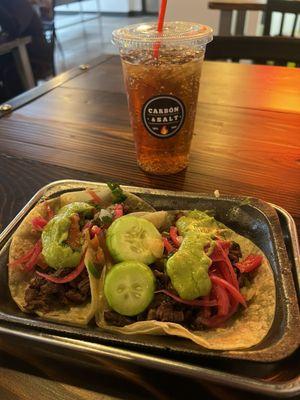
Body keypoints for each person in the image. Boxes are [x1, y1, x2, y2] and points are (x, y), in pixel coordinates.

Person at [0, 0, 54, 102]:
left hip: (33, 58)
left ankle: (13, 109)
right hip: (13, 55)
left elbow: (14, 28)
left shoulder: (18, 3)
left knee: (9, 75)